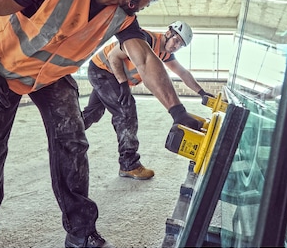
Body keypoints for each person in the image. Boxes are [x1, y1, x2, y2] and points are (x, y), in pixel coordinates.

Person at [0, 0, 201, 248]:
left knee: (72, 144)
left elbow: (145, 59)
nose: (153, 0)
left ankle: (81, 232)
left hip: (51, 76)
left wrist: (177, 111)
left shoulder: (123, 16)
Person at [83, 20, 215, 180]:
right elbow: (113, 57)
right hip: (102, 70)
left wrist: (202, 92)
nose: (176, 46)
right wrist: (123, 84)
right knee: (126, 111)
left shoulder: (165, 53)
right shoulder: (144, 39)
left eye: (180, 45)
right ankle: (129, 165)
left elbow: (183, 73)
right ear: (168, 32)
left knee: (92, 113)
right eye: (176, 40)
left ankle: (64, 138)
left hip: (108, 74)